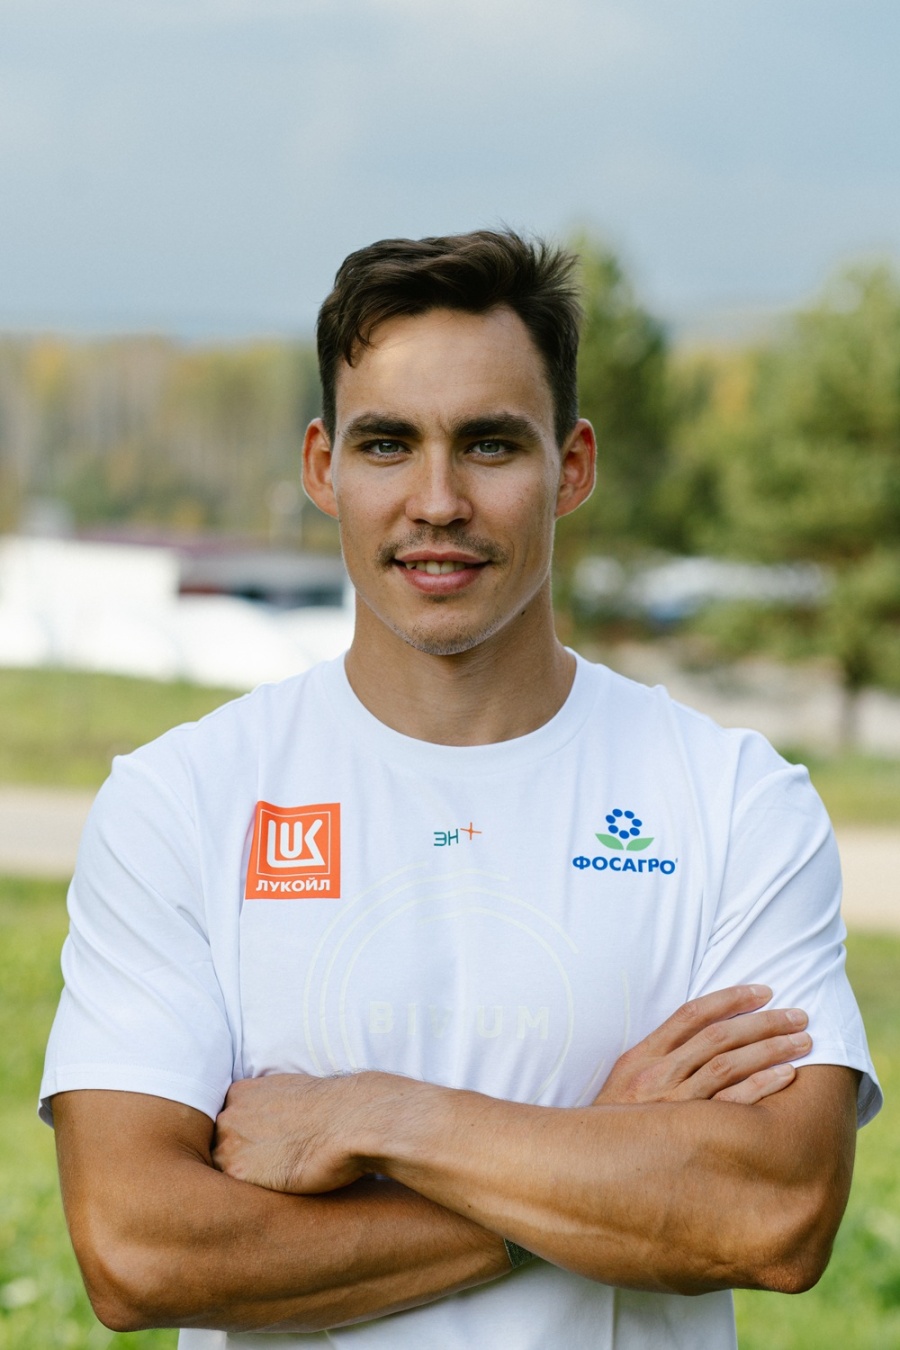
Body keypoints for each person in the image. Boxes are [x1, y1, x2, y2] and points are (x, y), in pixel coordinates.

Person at [42, 229, 880, 1349]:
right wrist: (600, 1151)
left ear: (572, 466)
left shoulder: (734, 803)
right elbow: (140, 1251)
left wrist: (376, 1118)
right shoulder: (181, 803)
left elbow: (774, 1215)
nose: (437, 501)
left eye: (490, 444)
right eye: (388, 444)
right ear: (323, 468)